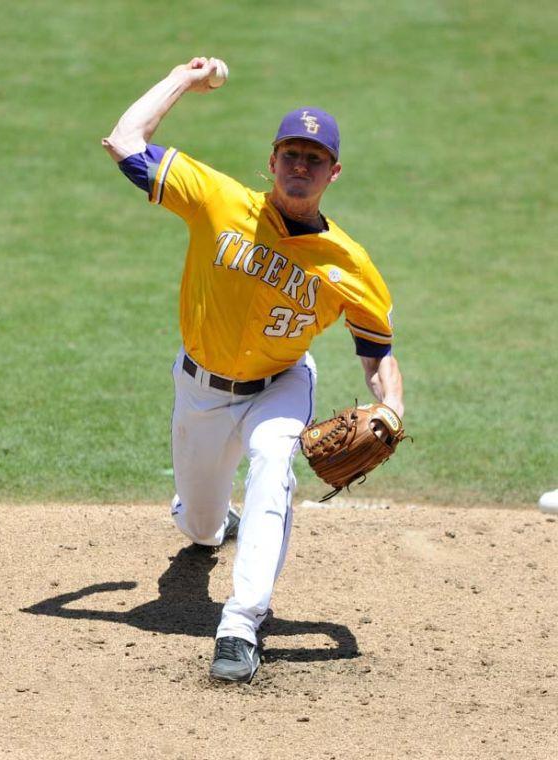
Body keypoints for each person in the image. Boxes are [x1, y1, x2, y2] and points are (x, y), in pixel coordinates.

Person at [102, 56, 404, 683]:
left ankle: (242, 623)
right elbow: (126, 140)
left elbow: (376, 351)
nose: (300, 166)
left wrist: (392, 405)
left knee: (274, 461)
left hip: (282, 384)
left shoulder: (349, 263)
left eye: (314, 158)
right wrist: (184, 79)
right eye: (290, 154)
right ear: (271, 161)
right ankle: (211, 522)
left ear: (334, 171)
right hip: (200, 389)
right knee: (201, 524)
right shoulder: (218, 200)